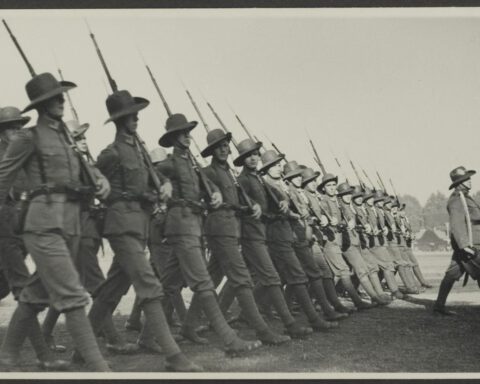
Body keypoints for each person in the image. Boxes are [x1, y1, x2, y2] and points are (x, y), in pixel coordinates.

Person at [0, 73, 111, 371]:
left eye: (62, 96)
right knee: (72, 294)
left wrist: (101, 181)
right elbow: (2, 178)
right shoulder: (28, 137)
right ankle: (100, 367)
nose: (61, 101)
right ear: (40, 105)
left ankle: (7, 357)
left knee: (37, 293)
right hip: (42, 224)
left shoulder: (65, 137)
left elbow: (86, 169)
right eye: (54, 98)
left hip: (71, 223)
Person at [86, 90, 201, 371]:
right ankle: (174, 357)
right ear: (119, 120)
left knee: (111, 291)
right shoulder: (110, 153)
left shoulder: (139, 151)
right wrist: (103, 187)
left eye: (136, 113)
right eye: (130, 115)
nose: (136, 117)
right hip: (120, 225)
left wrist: (165, 185)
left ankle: (82, 349)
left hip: (139, 225)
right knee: (150, 287)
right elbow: (92, 179)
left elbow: (158, 176)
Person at [156, 113, 261, 356]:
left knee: (170, 284)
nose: (187, 136)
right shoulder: (170, 164)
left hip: (193, 227)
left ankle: (153, 335)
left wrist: (212, 194)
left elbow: (205, 188)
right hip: (180, 226)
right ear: (173, 138)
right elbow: (156, 175)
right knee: (203, 282)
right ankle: (229, 338)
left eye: (188, 132)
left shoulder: (191, 165)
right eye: (182, 133)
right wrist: (163, 184)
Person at [189, 129, 290, 346]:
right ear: (211, 151)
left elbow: (239, 201)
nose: (224, 150)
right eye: (219, 147)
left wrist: (249, 207)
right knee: (241, 279)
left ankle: (189, 325)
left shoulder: (230, 174)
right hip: (219, 228)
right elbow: (198, 199)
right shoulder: (209, 173)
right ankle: (262, 330)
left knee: (210, 279)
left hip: (231, 228)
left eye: (226, 146)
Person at [41, 119, 107, 354]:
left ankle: (45, 333)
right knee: (98, 286)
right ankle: (113, 337)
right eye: (78, 138)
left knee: (66, 286)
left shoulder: (85, 164)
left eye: (84, 137)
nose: (83, 141)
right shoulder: (68, 165)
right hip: (75, 227)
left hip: (86, 227)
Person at [260, 150, 339, 330]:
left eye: (280, 165)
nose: (280, 168)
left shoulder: (284, 186)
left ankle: (260, 308)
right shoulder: (266, 185)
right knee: (294, 275)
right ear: (267, 169)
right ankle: (315, 317)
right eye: (276, 165)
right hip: (280, 235)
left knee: (281, 276)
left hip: (295, 234)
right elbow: (265, 211)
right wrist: (292, 214)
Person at [317, 174, 375, 310]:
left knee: (332, 275)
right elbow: (319, 217)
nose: (331, 188)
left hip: (340, 241)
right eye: (328, 186)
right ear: (324, 188)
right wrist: (326, 219)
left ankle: (318, 300)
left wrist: (349, 221)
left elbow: (347, 217)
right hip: (329, 242)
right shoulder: (323, 201)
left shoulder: (338, 201)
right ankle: (357, 301)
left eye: (333, 185)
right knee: (343, 271)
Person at [433, 166, 480, 315]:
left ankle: (439, 306)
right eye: (466, 178)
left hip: (472, 241)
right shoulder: (457, 200)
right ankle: (439, 306)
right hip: (470, 244)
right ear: (459, 182)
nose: (470, 181)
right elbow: (457, 224)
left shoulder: (465, 197)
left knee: (452, 274)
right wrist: (465, 245)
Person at [336, 182, 391, 305]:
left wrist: (365, 226)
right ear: (340, 196)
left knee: (368, 267)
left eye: (349, 194)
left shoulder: (352, 207)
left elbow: (358, 224)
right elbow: (337, 223)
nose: (348, 196)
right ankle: (374, 297)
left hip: (359, 242)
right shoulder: (340, 207)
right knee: (361, 270)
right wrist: (345, 225)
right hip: (347, 243)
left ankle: (378, 294)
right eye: (345, 194)